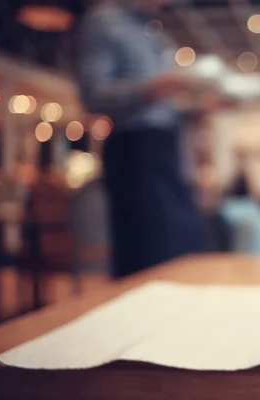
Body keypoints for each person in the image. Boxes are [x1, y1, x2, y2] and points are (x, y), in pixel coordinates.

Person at [78, 0, 210, 278]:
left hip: (164, 145)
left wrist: (200, 108)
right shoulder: (104, 20)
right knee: (144, 251)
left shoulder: (153, 30)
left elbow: (167, 109)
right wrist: (152, 88)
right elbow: (93, 94)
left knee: (183, 242)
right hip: (134, 149)